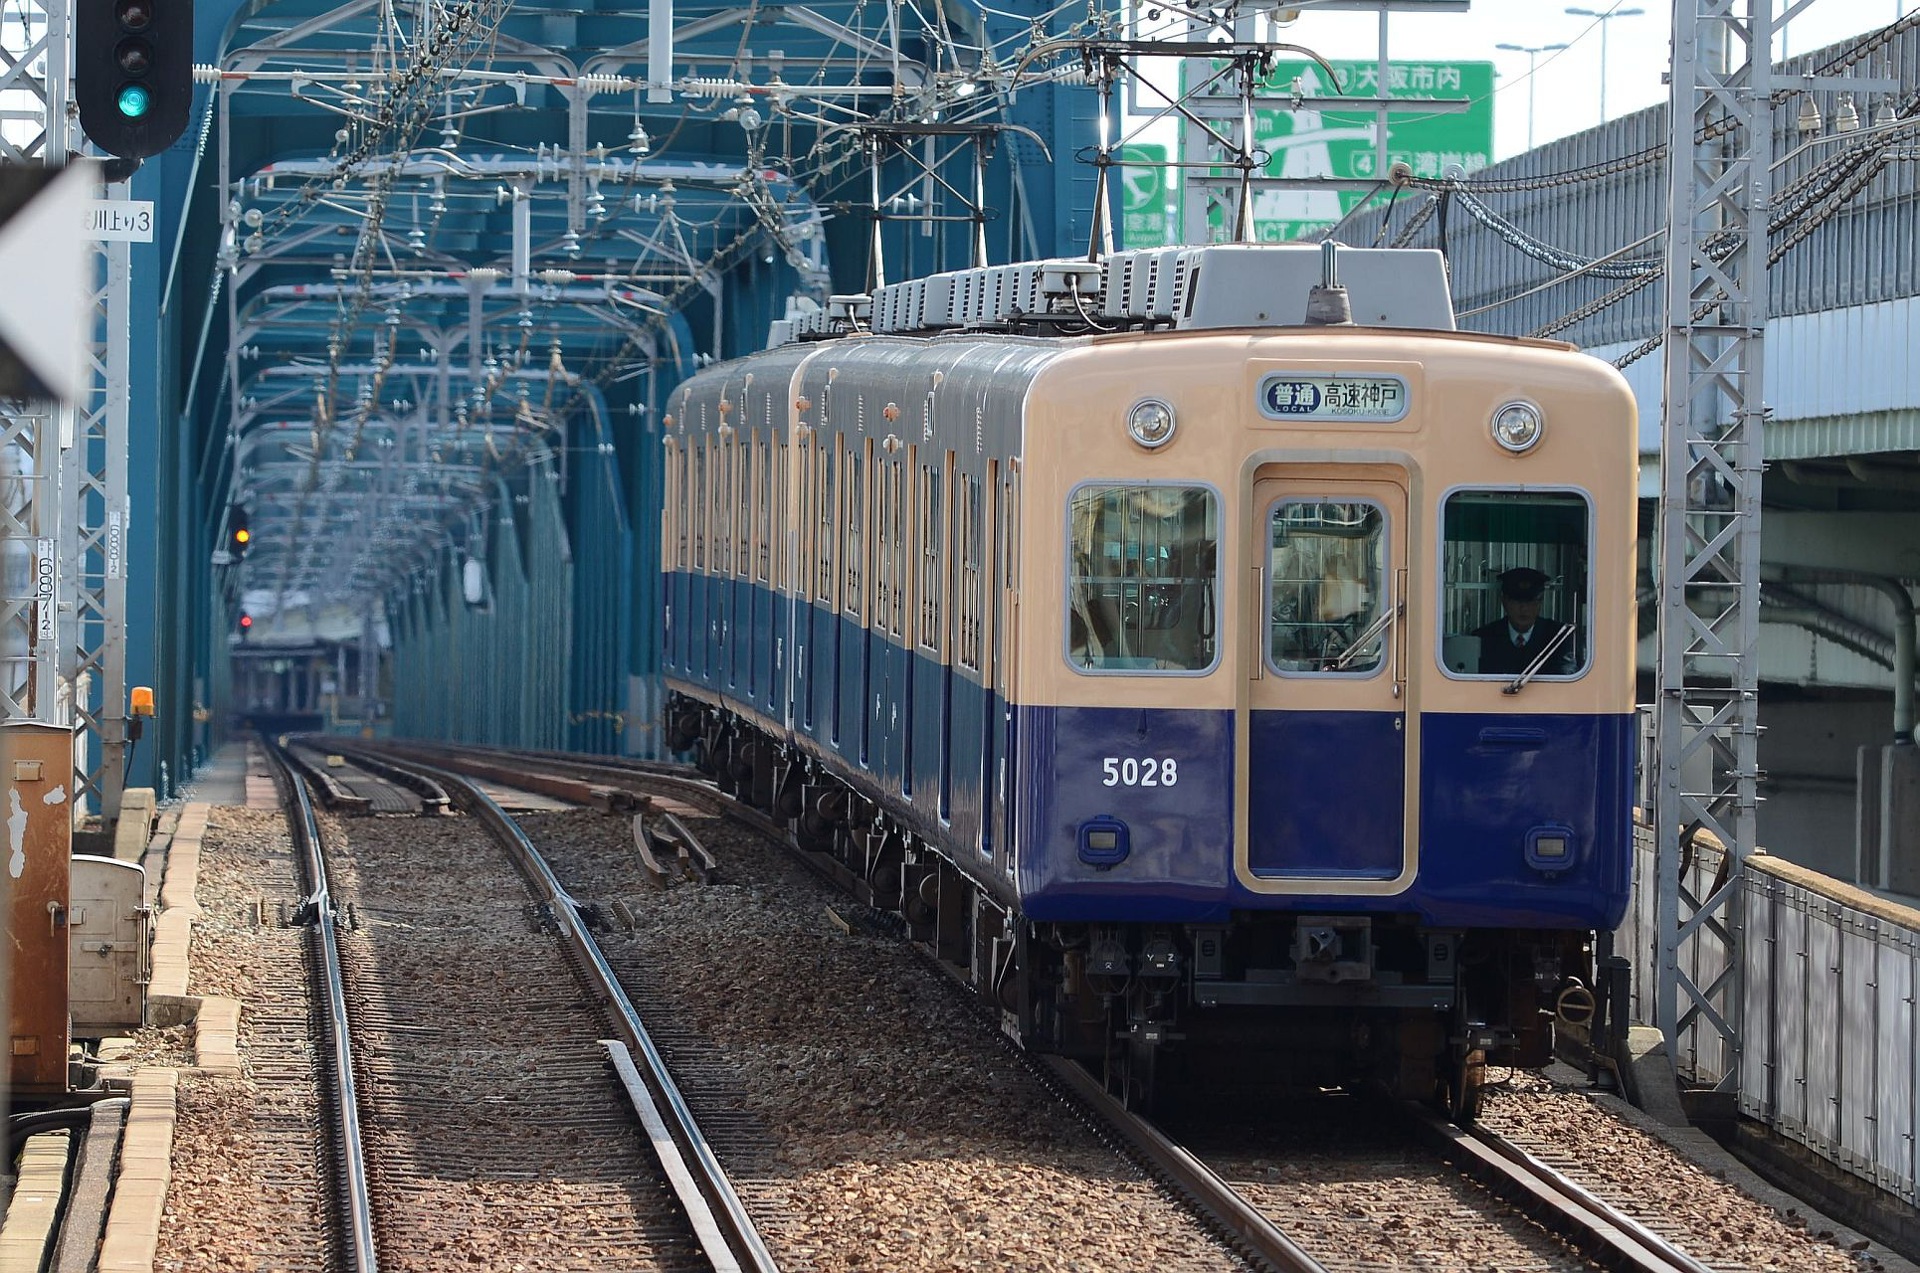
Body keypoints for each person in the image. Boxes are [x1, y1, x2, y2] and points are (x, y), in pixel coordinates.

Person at [1473, 567, 1575, 675]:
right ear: (1504, 601)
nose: (1524, 609)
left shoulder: (1558, 637)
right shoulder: (1484, 638)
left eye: (1530, 601)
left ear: (1540, 602)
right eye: (1517, 601)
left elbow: (1567, 677)